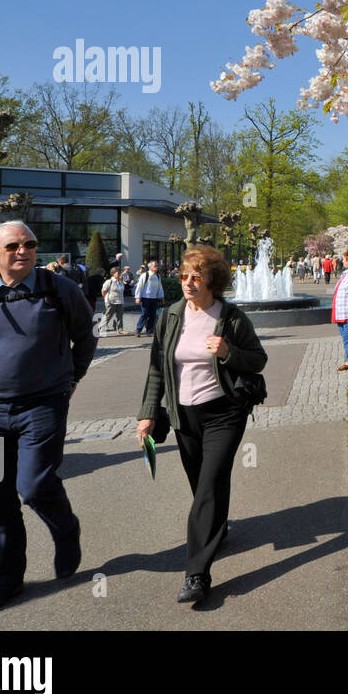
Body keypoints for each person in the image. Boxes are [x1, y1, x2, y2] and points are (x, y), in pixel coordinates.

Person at [0, 220, 96, 618]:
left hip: (43, 408)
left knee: (33, 486)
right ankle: (7, 578)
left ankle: (66, 530)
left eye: (30, 244)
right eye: (14, 245)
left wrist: (71, 379)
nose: (24, 251)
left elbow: (85, 337)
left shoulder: (58, 289)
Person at [136, 244, 268, 607]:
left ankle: (197, 573)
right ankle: (216, 527)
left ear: (213, 281)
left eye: (198, 277)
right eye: (184, 276)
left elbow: (258, 359)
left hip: (225, 412)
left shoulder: (231, 317)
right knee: (201, 483)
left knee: (209, 483)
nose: (189, 283)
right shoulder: (170, 317)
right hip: (183, 416)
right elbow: (155, 369)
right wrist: (147, 412)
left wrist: (228, 352)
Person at [134, 259, 164, 336]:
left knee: (153, 315)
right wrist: (137, 297)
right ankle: (138, 330)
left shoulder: (157, 276)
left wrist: (161, 297)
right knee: (145, 314)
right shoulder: (145, 275)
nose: (157, 267)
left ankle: (149, 331)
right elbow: (139, 286)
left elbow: (160, 287)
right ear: (150, 267)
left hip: (154, 298)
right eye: (155, 266)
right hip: (145, 298)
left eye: (157, 265)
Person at [101, 267, 126, 333]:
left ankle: (120, 330)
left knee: (120, 316)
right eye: (118, 273)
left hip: (120, 301)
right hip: (111, 301)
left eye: (120, 273)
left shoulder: (120, 281)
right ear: (113, 274)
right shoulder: (109, 281)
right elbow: (103, 291)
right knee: (108, 316)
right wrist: (106, 298)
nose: (120, 274)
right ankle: (101, 328)